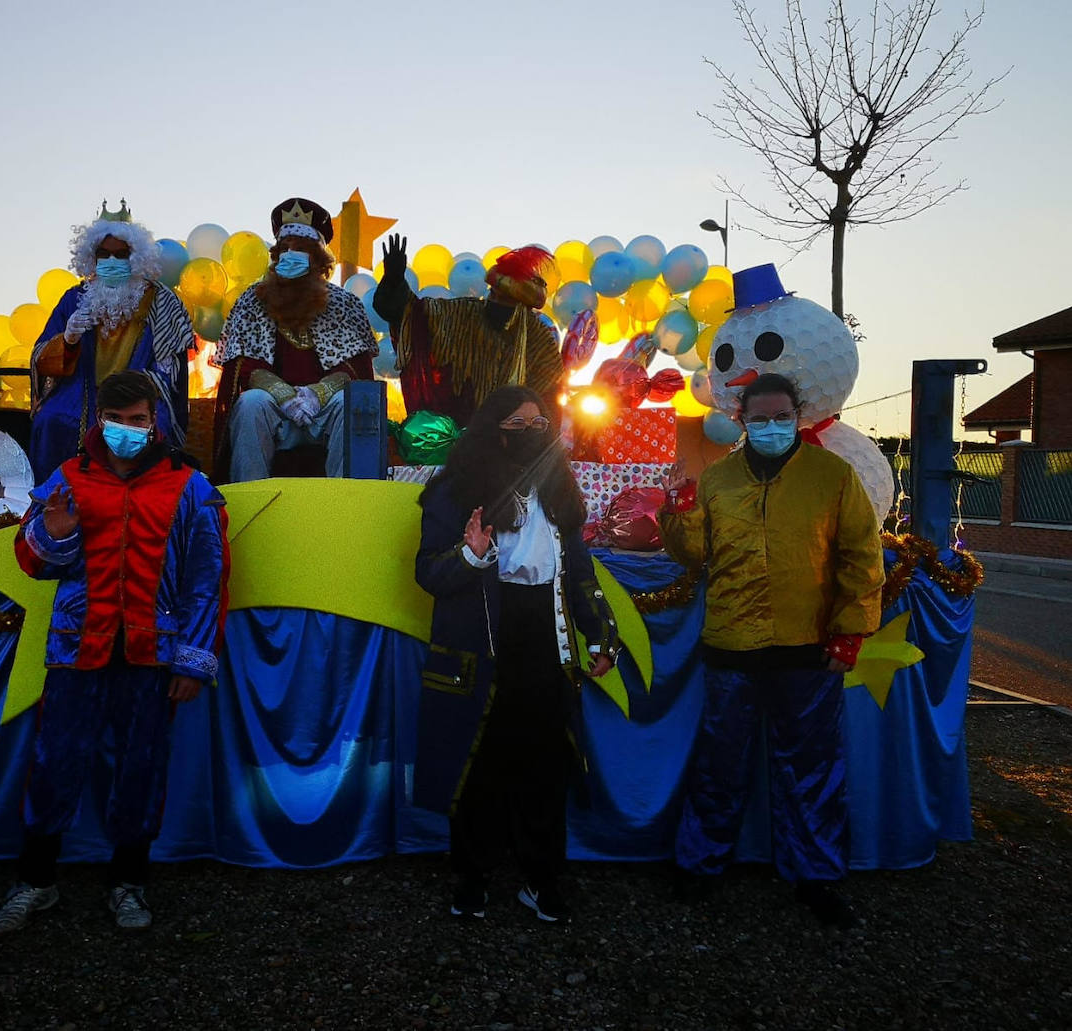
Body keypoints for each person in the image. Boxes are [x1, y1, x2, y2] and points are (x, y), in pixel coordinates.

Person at [0, 371, 229, 934]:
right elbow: (35, 563)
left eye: (138, 420)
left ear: (156, 422)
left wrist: (194, 658)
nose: (126, 430)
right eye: (115, 420)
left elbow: (206, 577)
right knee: (54, 763)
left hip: (153, 655)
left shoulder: (190, 488)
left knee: (142, 766)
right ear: (99, 421)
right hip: (77, 649)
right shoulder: (67, 479)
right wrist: (58, 533)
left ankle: (129, 883)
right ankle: (36, 882)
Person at [658, 371, 884, 929]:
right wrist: (679, 507)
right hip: (732, 647)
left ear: (798, 414)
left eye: (781, 416)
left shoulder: (833, 476)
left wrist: (850, 630)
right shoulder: (718, 480)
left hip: (808, 650)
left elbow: (861, 554)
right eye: (759, 419)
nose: (772, 426)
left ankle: (816, 878)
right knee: (719, 766)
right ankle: (700, 865)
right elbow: (693, 555)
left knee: (811, 771)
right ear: (740, 420)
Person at [413, 385, 621, 924]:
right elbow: (429, 574)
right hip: (481, 646)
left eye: (539, 422)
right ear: (493, 428)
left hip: (544, 646)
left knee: (544, 765)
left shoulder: (558, 490)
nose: (532, 431)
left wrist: (600, 634)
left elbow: (578, 574)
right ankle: (473, 876)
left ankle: (541, 878)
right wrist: (470, 553)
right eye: (518, 422)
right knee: (478, 764)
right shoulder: (453, 492)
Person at [211, 197, 377, 482]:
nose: (290, 255)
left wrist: (316, 394)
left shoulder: (344, 304)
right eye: (285, 248)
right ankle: (250, 499)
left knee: (346, 403)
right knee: (251, 403)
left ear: (318, 258)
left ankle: (347, 499)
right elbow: (244, 366)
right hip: (274, 409)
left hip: (323, 412)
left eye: (301, 249)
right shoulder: (252, 301)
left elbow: (355, 370)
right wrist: (285, 395)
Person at [29, 200, 193, 481]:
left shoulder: (162, 301)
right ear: (92, 258)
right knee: (52, 420)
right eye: (104, 255)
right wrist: (67, 340)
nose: (112, 262)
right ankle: (54, 502)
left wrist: (138, 386)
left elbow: (172, 369)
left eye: (121, 254)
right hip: (80, 390)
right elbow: (40, 359)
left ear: (136, 257)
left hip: (140, 392)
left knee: (154, 425)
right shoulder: (73, 298)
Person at [372, 236, 565, 427]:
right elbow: (413, 314)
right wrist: (394, 282)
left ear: (522, 308)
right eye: (493, 294)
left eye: (505, 299)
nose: (495, 301)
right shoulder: (464, 313)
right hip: (456, 441)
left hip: (514, 444)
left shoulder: (539, 340)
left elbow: (549, 402)